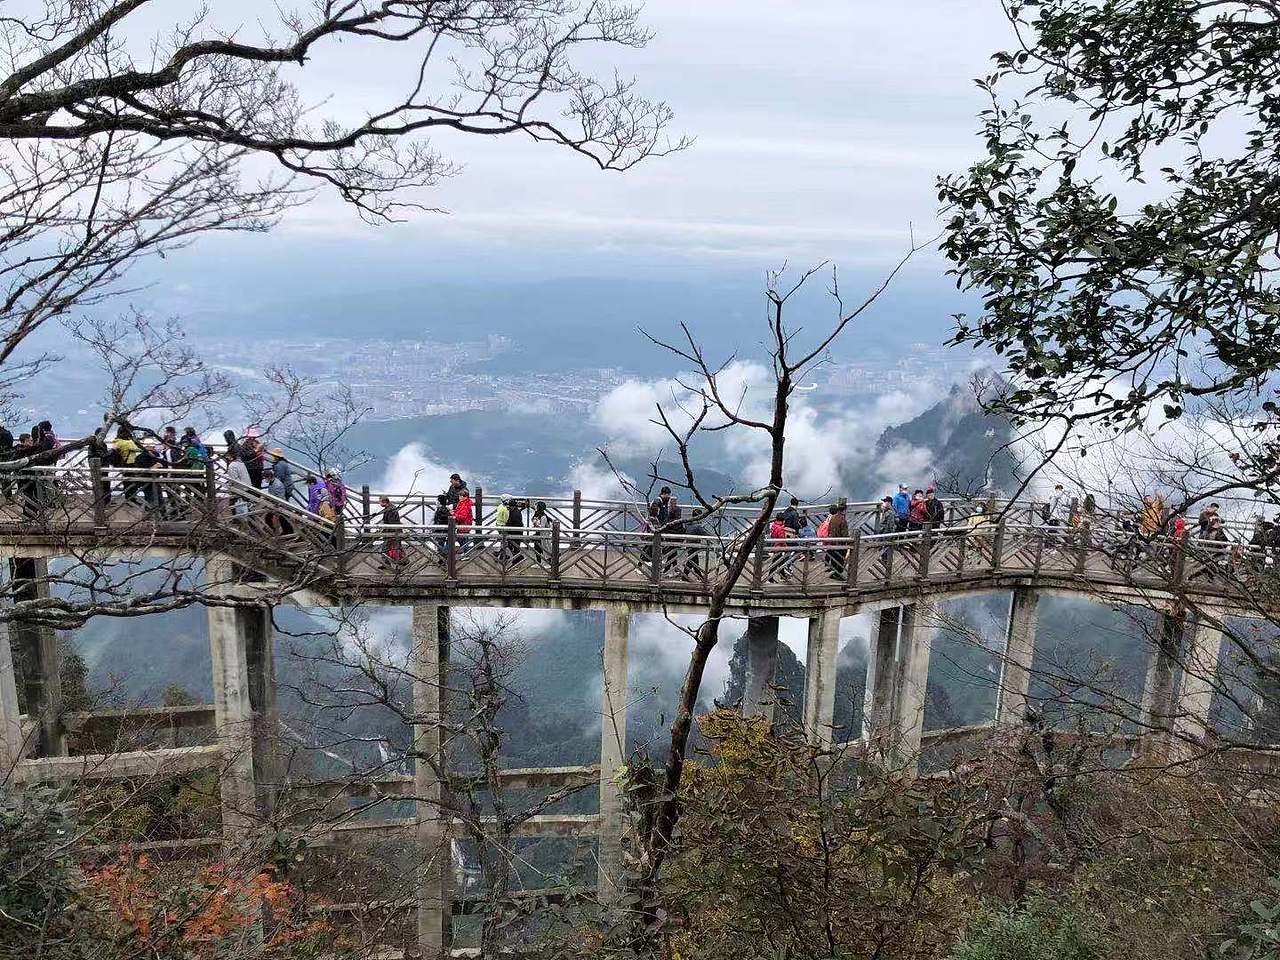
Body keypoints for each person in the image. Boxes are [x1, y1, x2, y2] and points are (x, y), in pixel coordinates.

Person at [821, 502, 849, 578]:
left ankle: (833, 571)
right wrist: (848, 541)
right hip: (840, 543)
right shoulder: (843, 520)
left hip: (832, 541)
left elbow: (829, 530)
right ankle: (838, 574)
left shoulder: (832, 518)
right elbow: (844, 534)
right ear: (844, 510)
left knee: (834, 557)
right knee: (841, 559)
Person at [224, 449, 252, 516]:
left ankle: (237, 518)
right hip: (247, 486)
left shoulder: (232, 466)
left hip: (240, 488)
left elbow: (234, 480)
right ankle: (249, 518)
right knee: (246, 504)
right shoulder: (241, 463)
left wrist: (229, 486)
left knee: (233, 503)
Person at [379, 495, 403, 564]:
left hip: (392, 533)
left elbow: (391, 524)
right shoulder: (391, 507)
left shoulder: (390, 510)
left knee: (384, 549)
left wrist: (386, 533)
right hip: (396, 532)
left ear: (384, 502)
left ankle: (386, 564)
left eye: (380, 502)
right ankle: (404, 561)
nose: (379, 504)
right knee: (398, 548)